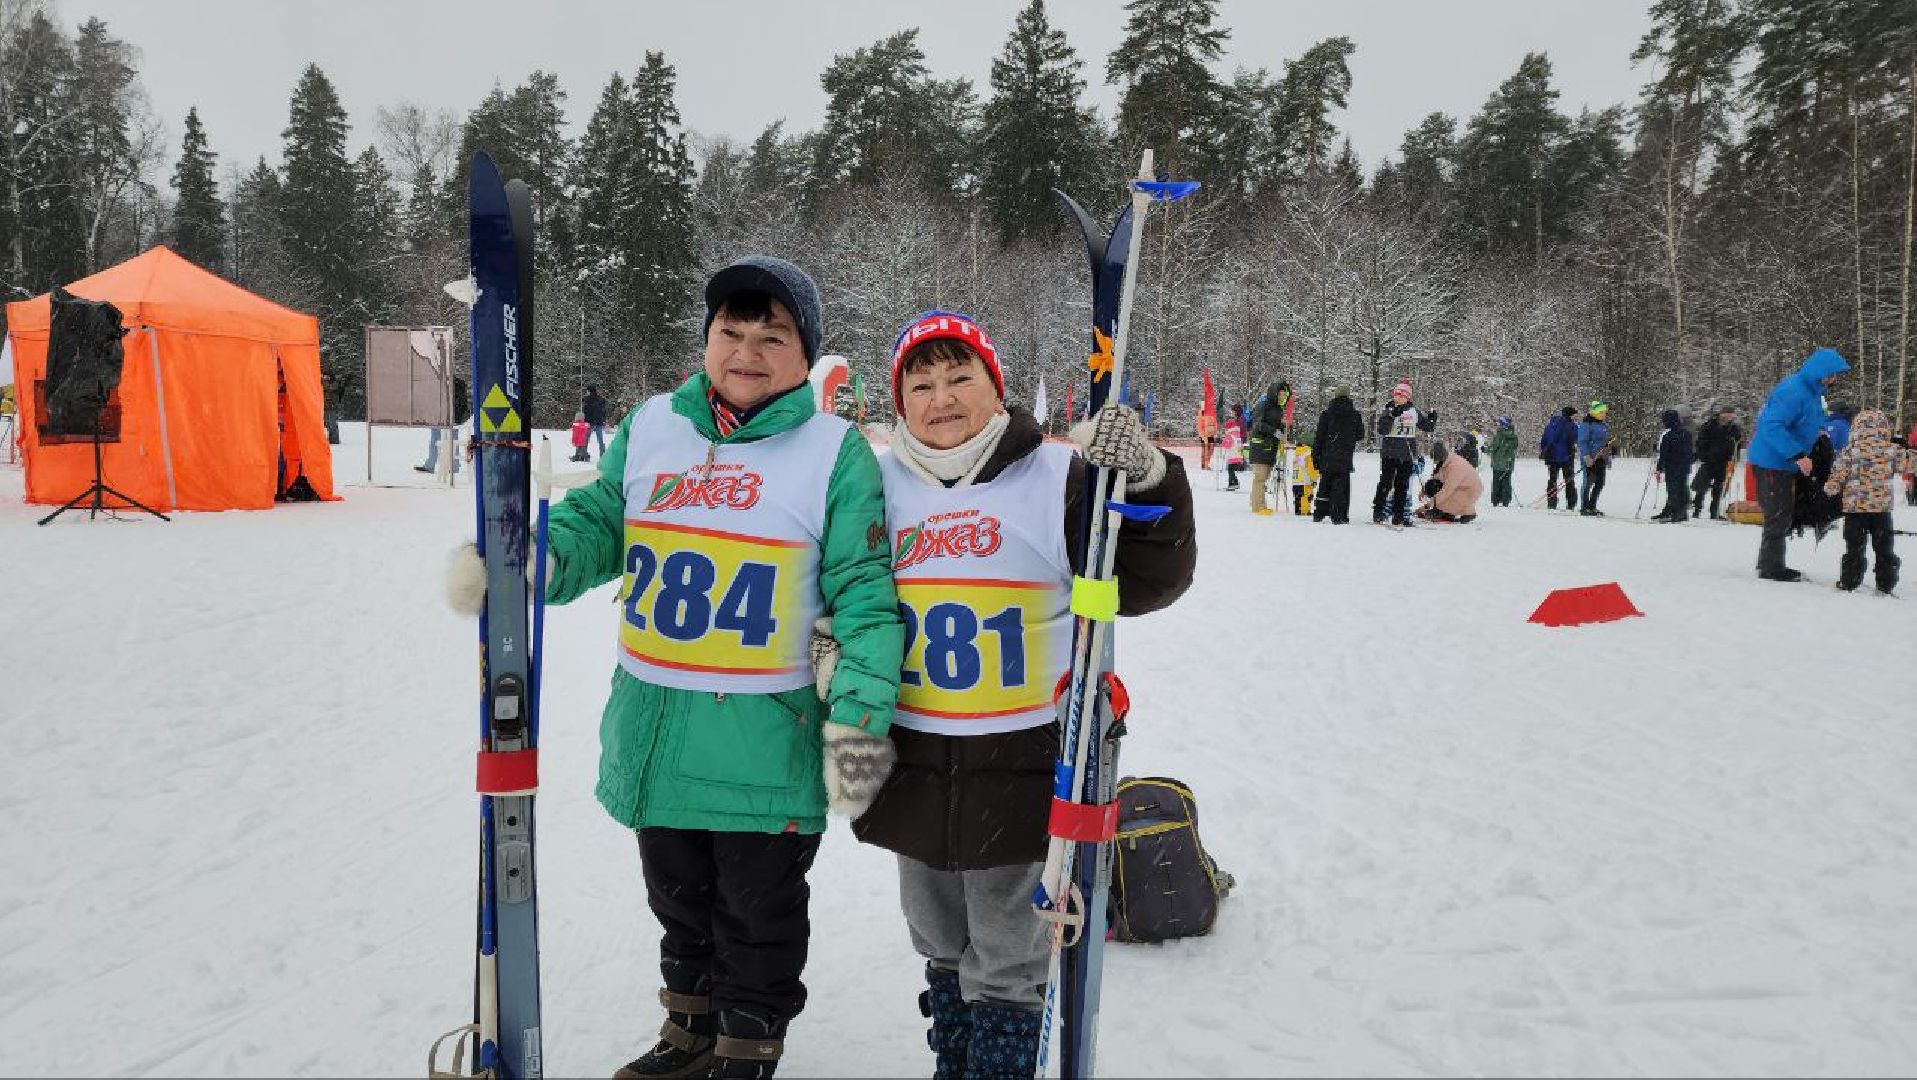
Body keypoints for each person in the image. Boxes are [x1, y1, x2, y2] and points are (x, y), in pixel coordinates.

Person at [450, 256, 904, 1079]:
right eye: (731, 332)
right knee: (679, 901)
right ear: (706, 340)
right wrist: (529, 563)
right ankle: (690, 1030)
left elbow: (864, 596)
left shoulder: (833, 452)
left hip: (765, 739)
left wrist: (859, 723)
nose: (747, 352)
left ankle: (746, 1044)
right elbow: (600, 520)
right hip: (655, 726)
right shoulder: (654, 425)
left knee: (757, 915)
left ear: (805, 356)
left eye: (773, 337)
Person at [852, 310, 1195, 1079]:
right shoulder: (874, 484)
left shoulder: (1053, 476)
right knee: (937, 934)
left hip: (1023, 755)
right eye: (921, 385)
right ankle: (955, 1055)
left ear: (995, 387)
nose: (942, 399)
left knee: (1010, 950)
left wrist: (1148, 477)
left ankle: (1000, 1065)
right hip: (911, 755)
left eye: (959, 378)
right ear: (899, 401)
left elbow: (1147, 579)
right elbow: (839, 584)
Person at [1749, 347, 1850, 581]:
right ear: (1819, 371)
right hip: (1772, 461)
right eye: (1831, 374)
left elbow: (1807, 421)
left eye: (1836, 375)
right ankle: (1771, 568)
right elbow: (1771, 426)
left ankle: (1769, 563)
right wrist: (1797, 454)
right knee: (1778, 514)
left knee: (1784, 512)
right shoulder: (1792, 391)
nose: (1834, 379)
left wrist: (1819, 433)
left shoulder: (1814, 393)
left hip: (1786, 462)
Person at [1823, 409, 1911, 594]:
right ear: (1883, 427)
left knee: (1854, 547)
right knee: (1884, 548)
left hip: (1855, 510)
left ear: (1856, 427)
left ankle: (1850, 581)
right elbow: (1910, 463)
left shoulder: (1850, 451)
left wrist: (1832, 486)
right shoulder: (1891, 450)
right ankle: (1885, 583)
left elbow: (1838, 473)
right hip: (1881, 510)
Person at [1372, 379, 1437, 527]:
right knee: (1386, 483)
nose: (1398, 398)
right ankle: (1378, 512)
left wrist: (1432, 420)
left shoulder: (1413, 411)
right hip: (1390, 453)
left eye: (1402, 396)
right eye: (1396, 395)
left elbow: (1427, 427)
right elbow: (1382, 430)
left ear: (1408, 398)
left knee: (1402, 485)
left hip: (1407, 454)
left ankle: (1398, 515)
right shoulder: (1389, 409)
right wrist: (1392, 416)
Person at [1309, 385, 1365, 523]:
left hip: (1327, 455)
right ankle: (1339, 515)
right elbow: (1360, 435)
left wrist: (1315, 455)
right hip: (1345, 456)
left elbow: (1319, 437)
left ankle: (1319, 513)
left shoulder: (1327, 414)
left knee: (1325, 484)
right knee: (1341, 486)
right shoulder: (1355, 415)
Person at [1245, 379, 1291, 515]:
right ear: (1275, 393)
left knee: (1264, 477)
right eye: (1281, 394)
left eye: (1285, 395)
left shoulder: (1278, 408)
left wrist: (1281, 428)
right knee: (1260, 477)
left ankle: (1256, 501)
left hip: (1270, 446)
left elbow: (1273, 423)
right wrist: (1274, 431)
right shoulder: (1263, 405)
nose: (1283, 397)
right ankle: (1258, 506)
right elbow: (1258, 424)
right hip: (1260, 445)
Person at [1691, 405, 1742, 519]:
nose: (1729, 417)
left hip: (1724, 462)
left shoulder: (1734, 429)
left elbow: (1737, 446)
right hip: (1709, 461)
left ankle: (1714, 512)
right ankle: (1697, 509)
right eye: (1727, 414)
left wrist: (1734, 459)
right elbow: (1700, 442)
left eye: (1731, 414)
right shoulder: (1709, 425)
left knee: (1718, 488)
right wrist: (1703, 455)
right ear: (1721, 414)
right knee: (1701, 486)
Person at [1413, 439, 1483, 523]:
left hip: (1468, 491)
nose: (1436, 462)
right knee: (1432, 485)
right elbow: (1437, 477)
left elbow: (1447, 490)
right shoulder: (1446, 461)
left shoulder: (1455, 466)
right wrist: (1424, 490)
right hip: (1459, 487)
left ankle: (1465, 512)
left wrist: (1427, 506)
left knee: (1444, 494)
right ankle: (1444, 510)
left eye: (1436, 460)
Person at [416, 375, 470, 475]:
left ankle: (452, 466)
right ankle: (434, 465)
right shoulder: (443, 383)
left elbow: (460, 404)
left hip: (452, 418)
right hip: (442, 417)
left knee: (450, 440)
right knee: (437, 439)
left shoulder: (457, 384)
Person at [1652, 409, 1694, 523]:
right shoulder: (1687, 434)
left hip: (1672, 466)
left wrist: (1659, 468)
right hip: (1685, 466)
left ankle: (1676, 513)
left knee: (1673, 490)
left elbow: (1664, 454)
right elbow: (1690, 451)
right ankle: (1678, 512)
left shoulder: (1668, 435)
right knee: (1682, 488)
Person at [1576, 401, 1614, 516]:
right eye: (1601, 412)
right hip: (1590, 459)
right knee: (1588, 483)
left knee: (1600, 483)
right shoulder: (1586, 424)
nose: (1604, 414)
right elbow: (1582, 442)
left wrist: (1609, 453)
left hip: (1601, 458)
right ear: (1595, 413)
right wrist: (1586, 456)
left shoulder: (1603, 426)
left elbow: (1606, 442)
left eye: (1604, 412)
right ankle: (1584, 507)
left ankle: (1592, 506)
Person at [1539, 406, 1579, 510]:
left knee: (1552, 480)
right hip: (1566, 457)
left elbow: (1544, 440)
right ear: (1569, 415)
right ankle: (1571, 503)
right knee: (1569, 480)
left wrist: (1545, 451)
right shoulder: (1571, 425)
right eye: (1574, 415)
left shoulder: (1550, 425)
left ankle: (1551, 502)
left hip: (1552, 457)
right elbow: (1575, 439)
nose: (1575, 417)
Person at [1487, 416, 1517, 507]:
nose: (1498, 425)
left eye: (1500, 423)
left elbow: (1493, 448)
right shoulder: (1514, 436)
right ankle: (1505, 500)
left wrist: (1485, 449)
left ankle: (1496, 500)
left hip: (1498, 463)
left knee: (1496, 482)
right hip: (1508, 464)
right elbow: (1514, 448)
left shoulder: (1499, 435)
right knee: (1506, 482)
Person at [582, 382, 611, 457]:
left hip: (590, 422)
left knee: (586, 439)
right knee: (600, 440)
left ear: (589, 391)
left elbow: (585, 411)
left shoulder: (586, 399)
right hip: (599, 422)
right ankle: (603, 455)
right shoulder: (601, 399)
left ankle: (584, 454)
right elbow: (604, 410)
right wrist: (603, 419)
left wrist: (585, 420)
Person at [1221, 413, 1246, 490]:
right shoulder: (1238, 436)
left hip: (1233, 457)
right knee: (1231, 471)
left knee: (1230, 470)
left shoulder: (1230, 436)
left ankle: (1233, 483)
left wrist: (1222, 441)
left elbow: (1226, 445)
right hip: (1238, 456)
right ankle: (1232, 483)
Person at [1196, 406, 1218, 471]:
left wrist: (1215, 430)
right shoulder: (1201, 414)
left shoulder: (1212, 413)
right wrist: (1203, 435)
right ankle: (1204, 465)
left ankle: (1206, 463)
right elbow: (1199, 426)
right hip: (1204, 435)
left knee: (1211, 450)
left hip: (1211, 434)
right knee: (1205, 450)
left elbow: (1215, 423)